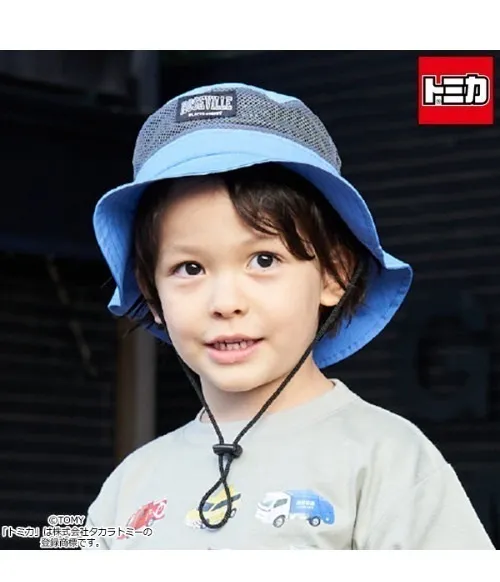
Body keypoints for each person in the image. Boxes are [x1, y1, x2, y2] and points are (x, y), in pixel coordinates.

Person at [84, 82, 494, 550]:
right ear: (152, 294)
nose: (225, 302)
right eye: (190, 268)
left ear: (333, 274)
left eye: (264, 260)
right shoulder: (129, 487)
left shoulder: (388, 460)